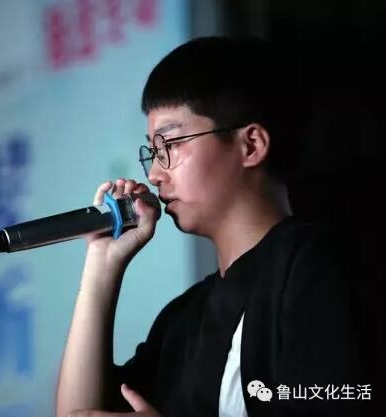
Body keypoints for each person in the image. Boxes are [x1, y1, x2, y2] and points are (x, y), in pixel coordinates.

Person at [55, 36, 370, 417]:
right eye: (152, 151)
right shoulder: (182, 321)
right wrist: (101, 267)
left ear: (251, 145)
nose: (154, 174)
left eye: (170, 144)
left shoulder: (315, 265)